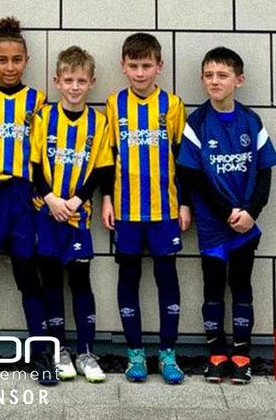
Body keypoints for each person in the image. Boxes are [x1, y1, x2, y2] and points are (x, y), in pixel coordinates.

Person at [176, 46, 276, 385]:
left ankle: (241, 355)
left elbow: (265, 171)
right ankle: (217, 354)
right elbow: (191, 176)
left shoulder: (251, 121)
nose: (214, 81)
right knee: (212, 287)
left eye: (222, 75)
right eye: (208, 75)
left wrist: (252, 211)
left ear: (239, 80)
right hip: (211, 223)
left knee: (241, 285)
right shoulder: (197, 122)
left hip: (245, 224)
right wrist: (225, 212)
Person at [0, 17, 54, 385]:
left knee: (27, 275)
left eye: (16, 60)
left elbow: (46, 151)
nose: (10, 67)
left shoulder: (38, 101)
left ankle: (41, 352)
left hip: (22, 197)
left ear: (27, 59)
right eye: (2, 60)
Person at [101, 32, 190, 386]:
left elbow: (184, 160)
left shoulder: (173, 104)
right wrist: (106, 198)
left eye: (147, 66)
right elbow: (106, 159)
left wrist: (184, 202)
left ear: (159, 67)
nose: (140, 73)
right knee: (129, 278)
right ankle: (135, 353)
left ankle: (168, 352)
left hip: (165, 211)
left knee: (167, 278)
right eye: (134, 66)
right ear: (123, 67)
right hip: (125, 210)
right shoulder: (113, 104)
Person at [30, 46, 112, 383]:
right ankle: (59, 349)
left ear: (92, 82)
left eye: (81, 80)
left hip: (79, 216)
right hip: (46, 214)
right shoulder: (43, 118)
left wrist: (77, 200)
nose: (75, 87)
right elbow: (33, 166)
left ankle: (86, 352)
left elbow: (103, 169)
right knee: (51, 283)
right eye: (68, 80)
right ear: (57, 81)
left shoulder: (99, 122)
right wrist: (51, 199)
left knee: (80, 282)